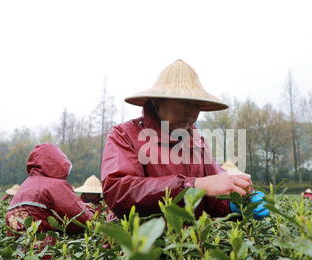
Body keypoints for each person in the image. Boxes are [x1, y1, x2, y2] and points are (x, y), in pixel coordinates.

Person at [101, 59, 269, 220]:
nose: (192, 112)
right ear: (158, 100)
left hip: (188, 245)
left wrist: (233, 201)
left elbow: (212, 192)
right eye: (184, 102)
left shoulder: (196, 141)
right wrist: (194, 186)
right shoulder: (125, 135)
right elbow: (119, 192)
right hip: (138, 244)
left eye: (197, 105)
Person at [5, 143, 95, 236]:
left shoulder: (24, 186)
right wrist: (91, 211)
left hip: (18, 247)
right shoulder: (54, 185)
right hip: (44, 247)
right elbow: (80, 218)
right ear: (58, 162)